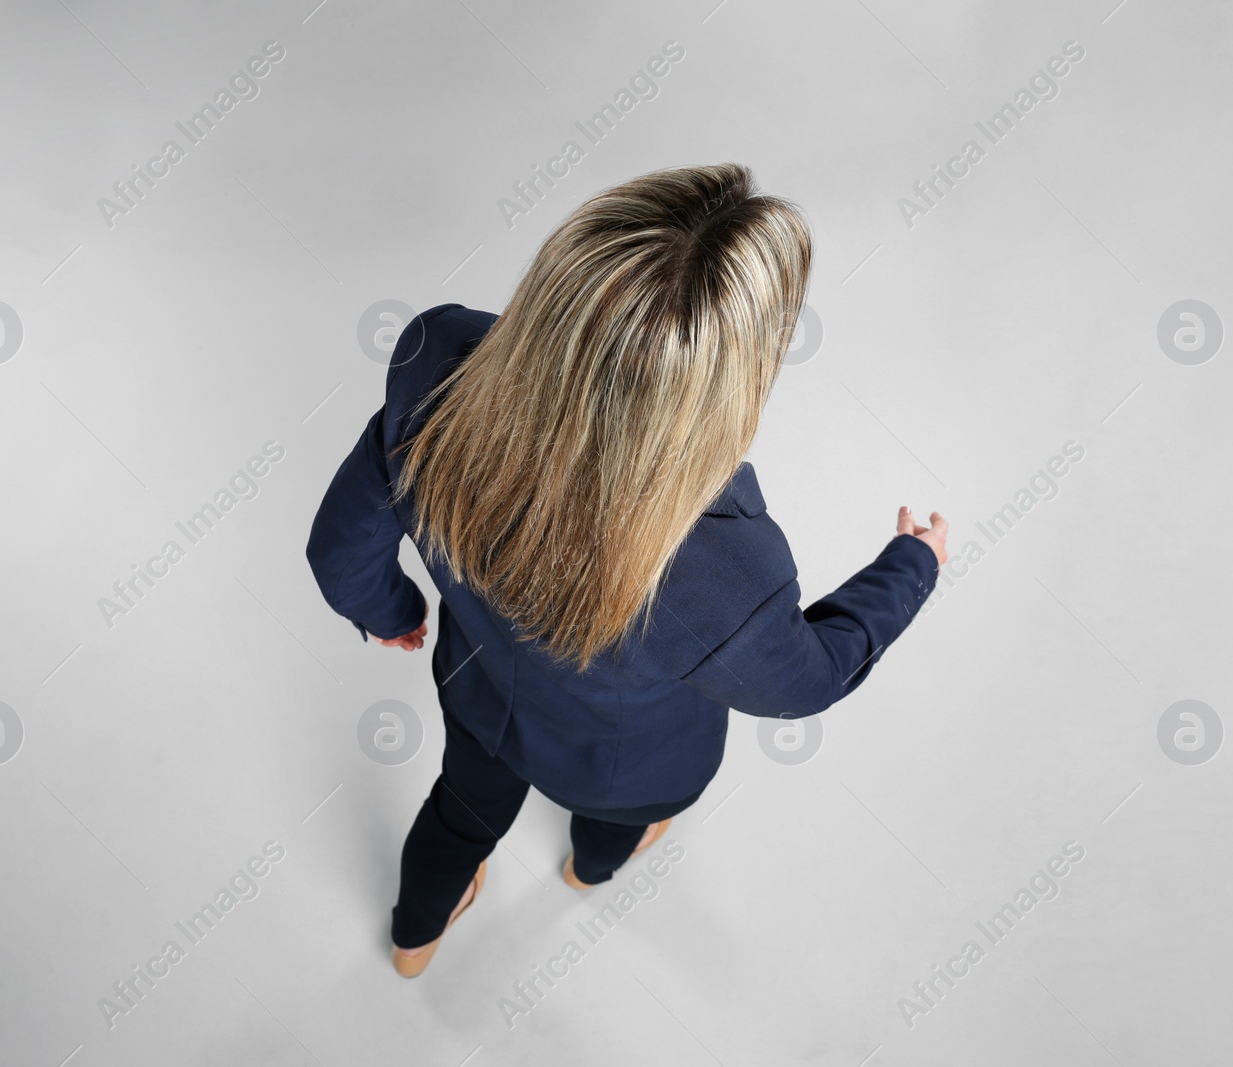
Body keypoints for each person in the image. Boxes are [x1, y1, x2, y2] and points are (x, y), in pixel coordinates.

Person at [306, 162, 946, 978]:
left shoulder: (437, 362)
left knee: (456, 820)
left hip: (476, 698)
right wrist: (912, 565)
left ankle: (413, 938)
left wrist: (392, 610)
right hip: (626, 766)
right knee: (616, 824)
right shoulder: (724, 573)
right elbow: (806, 681)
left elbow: (339, 546)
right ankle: (589, 870)